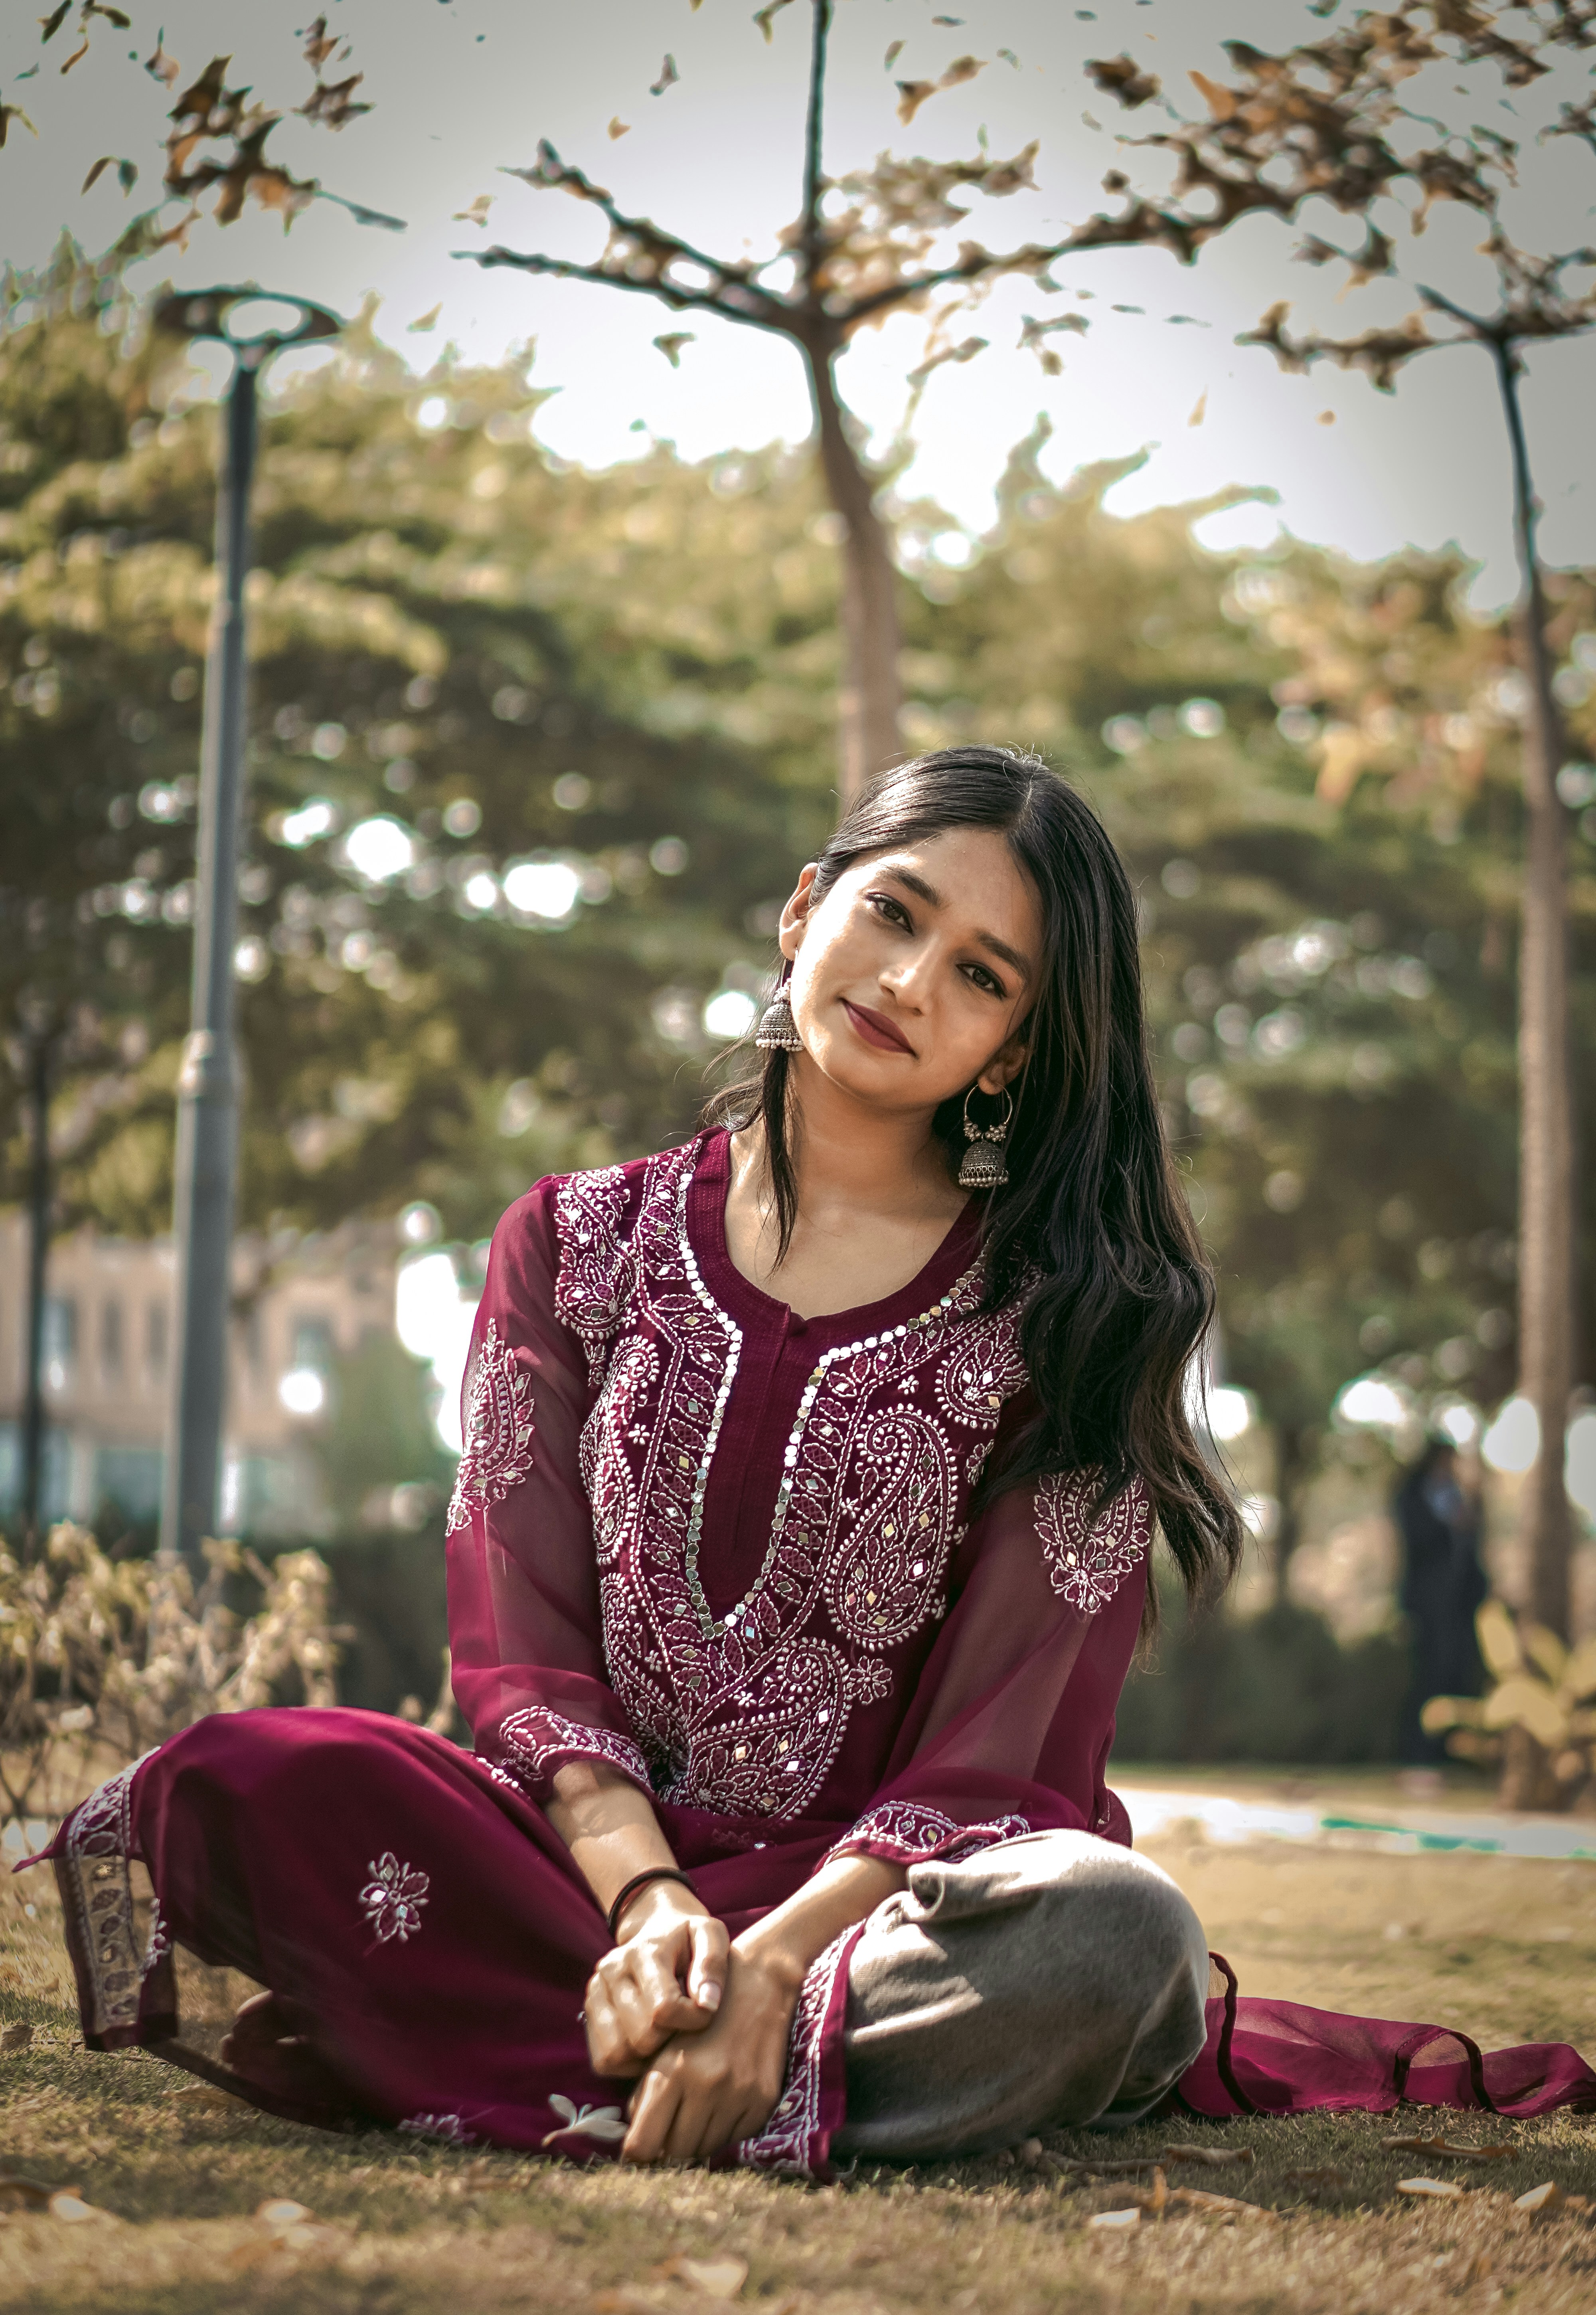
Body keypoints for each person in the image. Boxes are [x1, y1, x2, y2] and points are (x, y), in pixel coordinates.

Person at [31, 749, 1596, 2166]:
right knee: (237, 1775)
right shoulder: (573, 1242)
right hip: (582, 1884)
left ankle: (632, 2056)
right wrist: (651, 1903)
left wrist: (773, 1965)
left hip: (883, 1918)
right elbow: (525, 1649)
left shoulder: (1068, 1320)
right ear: (804, 911)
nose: (909, 980)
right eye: (892, 913)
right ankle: (695, 2051)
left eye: (979, 974)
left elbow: (998, 1758)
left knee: (1117, 1934)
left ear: (1011, 1051)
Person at [1395, 1437, 1488, 1769]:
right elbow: (1417, 1541)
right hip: (1428, 1604)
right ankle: (1420, 1754)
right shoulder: (1414, 1494)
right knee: (1429, 1675)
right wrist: (1449, 1525)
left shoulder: (1458, 1495)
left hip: (1459, 1605)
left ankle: (1454, 1753)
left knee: (1457, 1673)